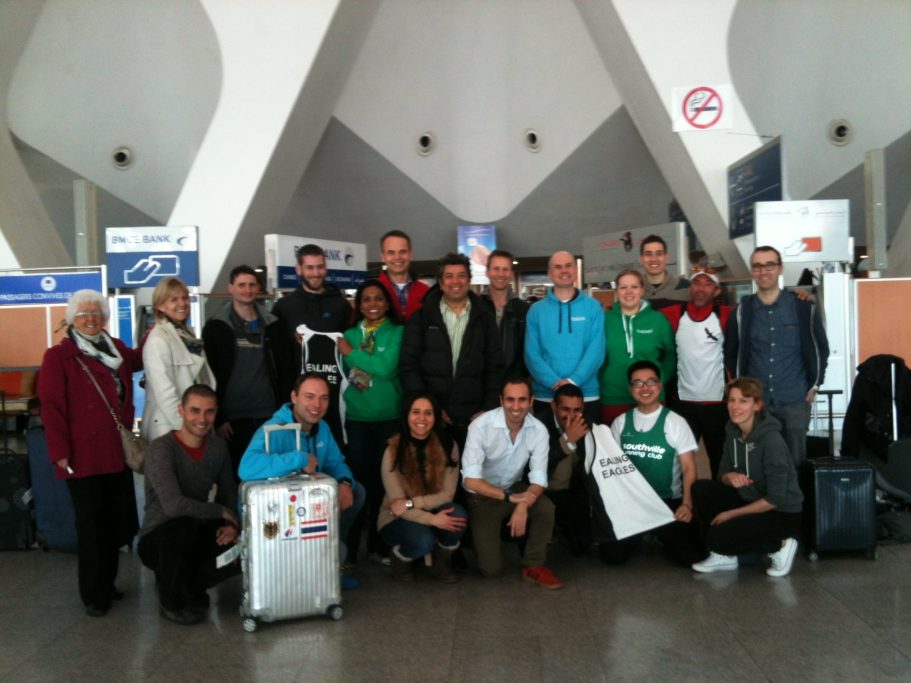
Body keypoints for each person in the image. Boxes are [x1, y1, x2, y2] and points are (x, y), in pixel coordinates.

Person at [37, 289, 142, 617]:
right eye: (84, 315)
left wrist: (161, 332)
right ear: (72, 320)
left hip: (114, 451)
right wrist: (60, 453)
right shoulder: (59, 357)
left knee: (113, 523)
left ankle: (107, 582)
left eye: (97, 313)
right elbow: (51, 409)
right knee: (91, 526)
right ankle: (93, 594)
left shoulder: (114, 348)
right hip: (82, 455)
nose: (92, 319)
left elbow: (138, 359)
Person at [239, 372, 365, 588]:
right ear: (294, 397)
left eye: (324, 398)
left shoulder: (322, 427)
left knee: (357, 491)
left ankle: (330, 560)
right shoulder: (274, 429)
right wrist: (299, 458)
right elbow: (246, 468)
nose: (317, 404)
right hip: (280, 516)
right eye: (309, 396)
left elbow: (336, 462)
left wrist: (344, 483)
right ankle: (304, 568)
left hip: (308, 506)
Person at [137, 385, 240, 625]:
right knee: (179, 527)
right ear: (181, 410)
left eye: (209, 412)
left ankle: (189, 585)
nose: (202, 419)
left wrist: (230, 524)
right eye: (195, 411)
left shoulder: (218, 447)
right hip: (159, 536)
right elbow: (173, 506)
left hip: (196, 527)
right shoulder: (161, 449)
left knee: (238, 547)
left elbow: (227, 491)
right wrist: (220, 511)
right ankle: (171, 600)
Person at [724, 245, 830, 466]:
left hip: (794, 400)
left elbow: (820, 348)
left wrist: (815, 384)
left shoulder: (802, 308)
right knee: (758, 463)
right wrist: (736, 385)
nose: (764, 271)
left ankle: (793, 502)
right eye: (758, 266)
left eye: (769, 265)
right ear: (753, 271)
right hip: (756, 403)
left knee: (794, 463)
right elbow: (730, 350)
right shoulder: (742, 311)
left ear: (780, 268)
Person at [691, 377, 803, 578]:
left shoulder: (771, 440)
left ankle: (782, 544)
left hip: (781, 513)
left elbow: (775, 499)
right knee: (701, 488)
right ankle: (727, 555)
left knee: (716, 536)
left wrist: (732, 515)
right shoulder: (732, 431)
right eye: (731, 400)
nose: (735, 407)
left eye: (743, 401)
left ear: (757, 405)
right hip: (750, 498)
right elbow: (721, 474)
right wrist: (729, 476)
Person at [461, 377, 562, 589]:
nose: (516, 406)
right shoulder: (481, 426)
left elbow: (538, 479)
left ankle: (534, 565)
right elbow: (470, 479)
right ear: (501, 400)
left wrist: (523, 504)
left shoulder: (539, 430)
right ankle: (481, 535)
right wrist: (510, 498)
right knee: (491, 570)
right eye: (510, 399)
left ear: (531, 401)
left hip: (513, 488)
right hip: (482, 495)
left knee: (545, 508)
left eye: (522, 400)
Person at [600, 361, 702, 566]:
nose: (644, 388)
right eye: (637, 383)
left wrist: (687, 504)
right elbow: (613, 470)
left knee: (691, 558)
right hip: (634, 504)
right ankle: (645, 533)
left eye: (650, 382)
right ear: (630, 389)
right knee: (612, 557)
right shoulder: (620, 423)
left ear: (660, 385)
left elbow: (689, 468)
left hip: (667, 503)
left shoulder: (676, 422)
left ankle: (658, 534)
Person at [400, 252, 504, 451]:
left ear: (469, 280)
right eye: (449, 276)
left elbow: (495, 365)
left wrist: (489, 406)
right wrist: (429, 408)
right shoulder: (421, 317)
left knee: (470, 476)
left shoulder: (485, 318)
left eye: (461, 275)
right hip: (431, 418)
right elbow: (408, 365)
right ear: (440, 282)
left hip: (474, 418)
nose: (455, 281)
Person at [338, 279, 404, 565]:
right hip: (356, 419)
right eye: (366, 299)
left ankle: (379, 545)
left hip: (388, 418)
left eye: (379, 299)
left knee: (383, 487)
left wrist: (352, 354)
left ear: (388, 303)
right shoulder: (349, 334)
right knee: (356, 487)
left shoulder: (397, 332)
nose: (373, 304)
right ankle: (349, 551)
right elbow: (340, 370)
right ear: (359, 304)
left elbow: (386, 368)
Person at [202, 265, 285, 479]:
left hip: (268, 413)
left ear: (258, 287)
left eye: (251, 285)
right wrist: (218, 417)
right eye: (241, 285)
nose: (247, 290)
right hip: (232, 419)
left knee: (269, 477)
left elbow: (285, 370)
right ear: (231, 287)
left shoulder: (273, 325)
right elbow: (210, 375)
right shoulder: (216, 327)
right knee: (235, 478)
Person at [377, 392, 467, 583]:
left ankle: (440, 563)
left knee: (458, 516)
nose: (422, 418)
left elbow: (448, 494)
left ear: (435, 417)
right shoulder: (392, 450)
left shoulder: (449, 445)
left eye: (428, 413)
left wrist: (414, 504)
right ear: (406, 415)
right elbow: (397, 506)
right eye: (415, 412)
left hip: (425, 508)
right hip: (395, 517)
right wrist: (432, 519)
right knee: (422, 540)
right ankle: (400, 558)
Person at [271, 243, 351, 445]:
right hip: (299, 401)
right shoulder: (284, 307)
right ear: (299, 270)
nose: (316, 273)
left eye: (320, 267)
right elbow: (278, 358)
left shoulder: (340, 304)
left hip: (333, 397)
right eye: (310, 267)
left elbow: (348, 348)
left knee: (334, 454)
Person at [659, 271, 733, 479]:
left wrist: (799, 295)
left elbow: (758, 310)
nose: (701, 288)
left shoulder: (726, 314)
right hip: (683, 404)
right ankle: (685, 507)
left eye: (708, 284)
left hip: (717, 404)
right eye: (696, 283)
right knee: (680, 463)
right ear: (690, 288)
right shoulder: (675, 312)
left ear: (717, 290)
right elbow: (644, 309)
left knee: (721, 462)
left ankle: (717, 507)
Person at [524, 250, 604, 425]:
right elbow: (531, 354)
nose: (564, 271)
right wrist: (555, 383)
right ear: (550, 273)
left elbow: (596, 350)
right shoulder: (536, 311)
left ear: (575, 271)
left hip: (586, 395)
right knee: (549, 450)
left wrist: (572, 381)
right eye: (557, 267)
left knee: (588, 450)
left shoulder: (593, 307)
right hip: (546, 396)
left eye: (568, 266)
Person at [142, 277, 215, 441]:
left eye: (184, 298)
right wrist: (185, 431)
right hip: (171, 428)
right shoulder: (158, 340)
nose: (182, 303)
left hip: (193, 425)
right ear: (160, 305)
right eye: (174, 300)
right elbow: (166, 394)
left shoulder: (186, 334)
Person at [599, 269, 676, 425]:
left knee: (652, 446)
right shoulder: (604, 320)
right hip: (614, 396)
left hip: (651, 396)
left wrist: (661, 378)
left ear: (642, 290)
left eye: (634, 287)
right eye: (623, 287)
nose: (628, 292)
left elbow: (671, 355)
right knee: (614, 446)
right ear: (616, 292)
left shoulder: (658, 320)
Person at [543, 383, 593, 555]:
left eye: (577, 410)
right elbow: (536, 468)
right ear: (553, 406)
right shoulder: (538, 426)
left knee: (582, 548)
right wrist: (567, 441)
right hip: (542, 492)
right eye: (565, 409)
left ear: (583, 407)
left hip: (573, 493)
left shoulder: (588, 425)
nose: (571, 416)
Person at [480, 249, 528, 376]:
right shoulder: (475, 307)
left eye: (505, 269)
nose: (500, 274)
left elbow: (528, 351)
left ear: (511, 273)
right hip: (480, 385)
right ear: (487, 272)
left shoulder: (524, 310)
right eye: (496, 269)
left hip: (514, 384)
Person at [376, 229, 429, 322]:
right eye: (391, 252)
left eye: (403, 252)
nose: (397, 257)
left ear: (410, 255)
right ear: (382, 257)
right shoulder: (372, 291)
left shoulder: (426, 292)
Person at [639, 234, 690, 310]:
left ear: (666, 258)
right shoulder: (632, 291)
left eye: (659, 254)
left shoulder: (686, 287)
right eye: (648, 254)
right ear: (641, 260)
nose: (653, 259)